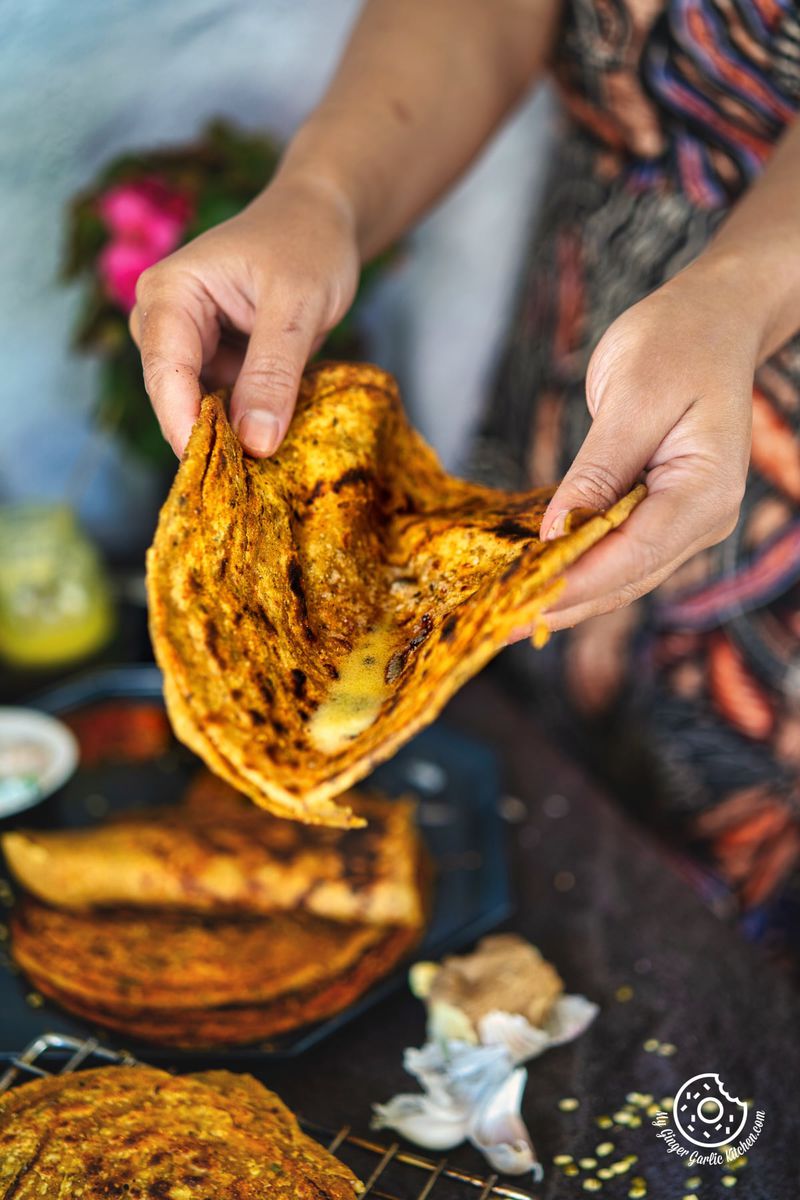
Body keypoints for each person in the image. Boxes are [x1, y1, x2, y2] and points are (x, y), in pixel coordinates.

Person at [131, 0, 800, 958]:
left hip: (770, 373)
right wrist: (323, 195)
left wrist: (740, 301)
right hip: (595, 335)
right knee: (541, 789)